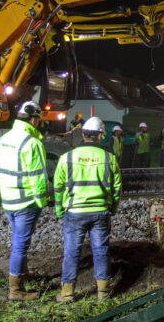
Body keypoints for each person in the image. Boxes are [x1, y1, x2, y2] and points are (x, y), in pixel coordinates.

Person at [53, 116, 122, 302]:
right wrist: (113, 208)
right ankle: (103, 293)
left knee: (72, 252)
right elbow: (117, 188)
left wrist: (59, 209)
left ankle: (67, 293)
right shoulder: (109, 158)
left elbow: (58, 187)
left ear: (83, 134)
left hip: (74, 212)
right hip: (100, 212)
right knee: (101, 251)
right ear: (100, 136)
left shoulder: (67, 158)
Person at [0, 100, 48, 301]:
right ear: (34, 119)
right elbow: (38, 177)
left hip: (9, 200)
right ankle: (15, 291)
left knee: (18, 238)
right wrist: (42, 202)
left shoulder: (2, 140)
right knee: (20, 244)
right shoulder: (32, 143)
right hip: (26, 203)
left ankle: (23, 273)